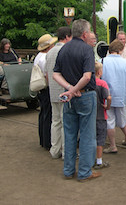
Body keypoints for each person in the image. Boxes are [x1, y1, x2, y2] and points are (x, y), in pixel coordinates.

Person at [53, 19, 100, 182]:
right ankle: (85, 172)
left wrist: (69, 89)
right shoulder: (87, 50)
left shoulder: (63, 49)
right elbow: (87, 76)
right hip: (85, 96)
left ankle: (68, 170)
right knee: (87, 135)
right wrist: (75, 90)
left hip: (68, 99)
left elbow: (55, 74)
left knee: (70, 134)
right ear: (85, 34)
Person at [102, 39, 126, 154]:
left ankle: (112, 145)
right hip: (122, 95)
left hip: (107, 96)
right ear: (120, 50)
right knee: (123, 118)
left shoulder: (102, 61)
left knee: (109, 120)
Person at [45, 27, 72, 159]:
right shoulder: (65, 51)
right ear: (67, 37)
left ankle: (55, 150)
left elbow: (47, 73)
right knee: (65, 121)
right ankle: (66, 152)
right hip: (63, 91)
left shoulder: (49, 52)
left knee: (55, 121)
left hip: (52, 91)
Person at [34, 33, 57, 150]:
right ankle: (48, 141)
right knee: (49, 114)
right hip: (46, 87)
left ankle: (43, 139)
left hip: (40, 88)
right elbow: (47, 74)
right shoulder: (45, 58)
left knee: (43, 113)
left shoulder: (38, 56)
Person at [94, 62, 111, 169]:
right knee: (100, 138)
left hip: (90, 115)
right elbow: (108, 97)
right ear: (99, 72)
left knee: (90, 137)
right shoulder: (102, 83)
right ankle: (99, 161)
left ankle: (89, 158)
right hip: (101, 114)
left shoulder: (86, 82)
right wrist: (107, 106)